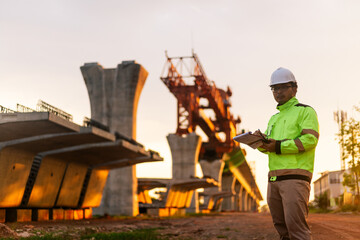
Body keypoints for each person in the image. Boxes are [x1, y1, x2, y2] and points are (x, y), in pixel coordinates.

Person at [256, 67, 319, 240]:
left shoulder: (305, 111)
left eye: (283, 87)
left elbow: (309, 140)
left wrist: (277, 146)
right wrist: (260, 143)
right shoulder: (274, 118)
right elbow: (271, 146)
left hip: (295, 177)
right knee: (282, 230)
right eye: (274, 88)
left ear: (294, 88)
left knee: (296, 230)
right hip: (274, 179)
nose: (278, 92)